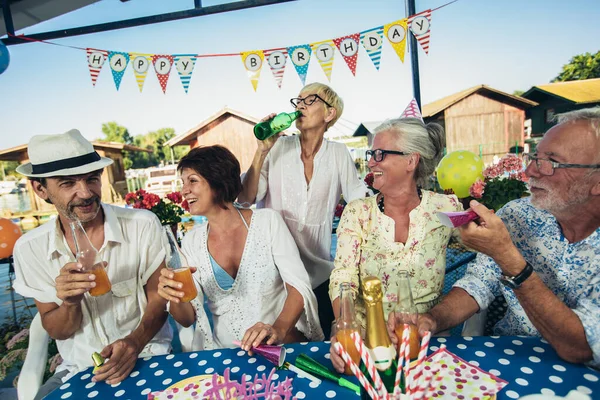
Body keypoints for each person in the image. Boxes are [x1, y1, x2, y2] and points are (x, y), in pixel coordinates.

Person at [400, 107, 600, 367]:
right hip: (511, 356)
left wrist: (507, 256)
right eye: (534, 157)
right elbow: (479, 284)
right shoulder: (519, 214)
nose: (530, 171)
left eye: (550, 161)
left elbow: (580, 348)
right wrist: (432, 319)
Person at [12, 129, 172, 399]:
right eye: (67, 183)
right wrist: (70, 303)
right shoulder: (29, 249)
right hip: (78, 368)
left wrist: (135, 342)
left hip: (147, 355)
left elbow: (159, 298)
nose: (85, 193)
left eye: (92, 179)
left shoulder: (141, 224)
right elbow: (56, 329)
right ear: (41, 189)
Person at [328, 117, 462, 373]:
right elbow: (343, 278)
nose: (370, 162)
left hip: (425, 342)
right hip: (367, 343)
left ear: (411, 161)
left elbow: (481, 250)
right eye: (371, 154)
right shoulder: (357, 212)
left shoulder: (447, 208)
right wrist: (346, 329)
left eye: (379, 154)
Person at [157, 145, 323, 352]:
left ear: (217, 181)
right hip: (226, 352)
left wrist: (278, 329)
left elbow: (298, 285)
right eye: (183, 183)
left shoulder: (267, 222)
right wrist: (174, 296)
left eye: (192, 181)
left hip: (279, 344)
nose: (184, 191)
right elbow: (187, 318)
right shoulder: (191, 241)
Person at [237, 83, 369, 337]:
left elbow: (358, 203)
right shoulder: (277, 148)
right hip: (274, 273)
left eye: (310, 101)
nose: (300, 106)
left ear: (329, 113)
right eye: (298, 101)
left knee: (318, 344)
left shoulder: (339, 153)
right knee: (273, 341)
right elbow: (246, 199)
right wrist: (261, 151)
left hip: (319, 272)